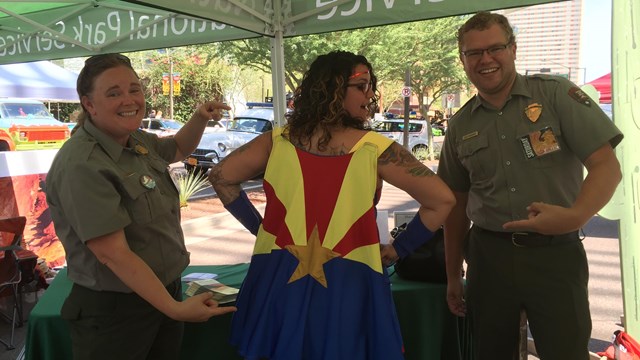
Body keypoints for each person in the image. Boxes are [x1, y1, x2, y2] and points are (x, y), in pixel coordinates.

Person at [208, 50, 455, 359]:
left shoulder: (277, 141)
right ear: (332, 88)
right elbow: (442, 200)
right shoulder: (376, 149)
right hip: (349, 283)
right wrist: (399, 249)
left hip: (278, 275)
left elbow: (220, 177)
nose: (371, 95)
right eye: (361, 85)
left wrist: (262, 231)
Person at [438, 11, 623, 359]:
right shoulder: (461, 124)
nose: (485, 59)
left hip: (555, 254)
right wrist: (452, 275)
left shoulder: (556, 96)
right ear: (463, 60)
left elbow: (606, 167)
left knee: (565, 351)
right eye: (473, 53)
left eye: (495, 48)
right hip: (488, 256)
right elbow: (456, 205)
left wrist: (575, 216)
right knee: (491, 352)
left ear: (513, 48)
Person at [45, 53, 235, 360]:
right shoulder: (83, 163)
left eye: (134, 89)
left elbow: (176, 148)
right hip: (115, 313)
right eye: (114, 93)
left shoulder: (133, 140)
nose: (129, 99)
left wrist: (200, 116)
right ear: (89, 104)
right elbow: (113, 253)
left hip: (160, 294)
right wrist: (174, 308)